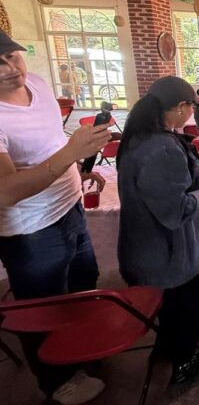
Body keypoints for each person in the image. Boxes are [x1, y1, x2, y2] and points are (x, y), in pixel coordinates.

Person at [0, 30, 112, 404]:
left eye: (12, 56)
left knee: (83, 281)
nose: (9, 68)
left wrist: (75, 170)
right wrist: (69, 155)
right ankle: (56, 380)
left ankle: (79, 351)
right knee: (42, 307)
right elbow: (6, 192)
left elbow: (48, 144)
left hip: (70, 205)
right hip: (31, 230)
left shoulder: (38, 83)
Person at [116, 76, 199, 396]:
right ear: (180, 108)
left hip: (147, 249)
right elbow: (175, 210)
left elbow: (164, 187)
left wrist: (197, 178)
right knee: (188, 295)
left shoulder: (140, 137)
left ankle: (170, 341)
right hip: (165, 253)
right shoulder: (162, 148)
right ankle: (186, 363)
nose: (193, 111)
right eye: (191, 106)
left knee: (172, 304)